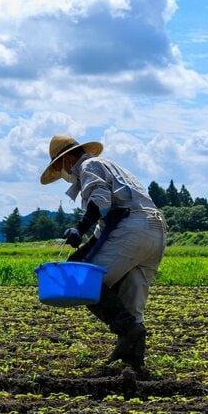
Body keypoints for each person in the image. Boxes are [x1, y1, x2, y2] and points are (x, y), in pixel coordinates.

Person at [40, 134, 167, 371]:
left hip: (132, 229)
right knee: (132, 302)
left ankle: (128, 331)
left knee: (83, 285)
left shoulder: (88, 165)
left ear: (69, 158)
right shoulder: (114, 168)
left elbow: (101, 199)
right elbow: (109, 221)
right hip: (155, 231)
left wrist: (80, 227)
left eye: (58, 165)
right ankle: (132, 367)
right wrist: (84, 247)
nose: (61, 172)